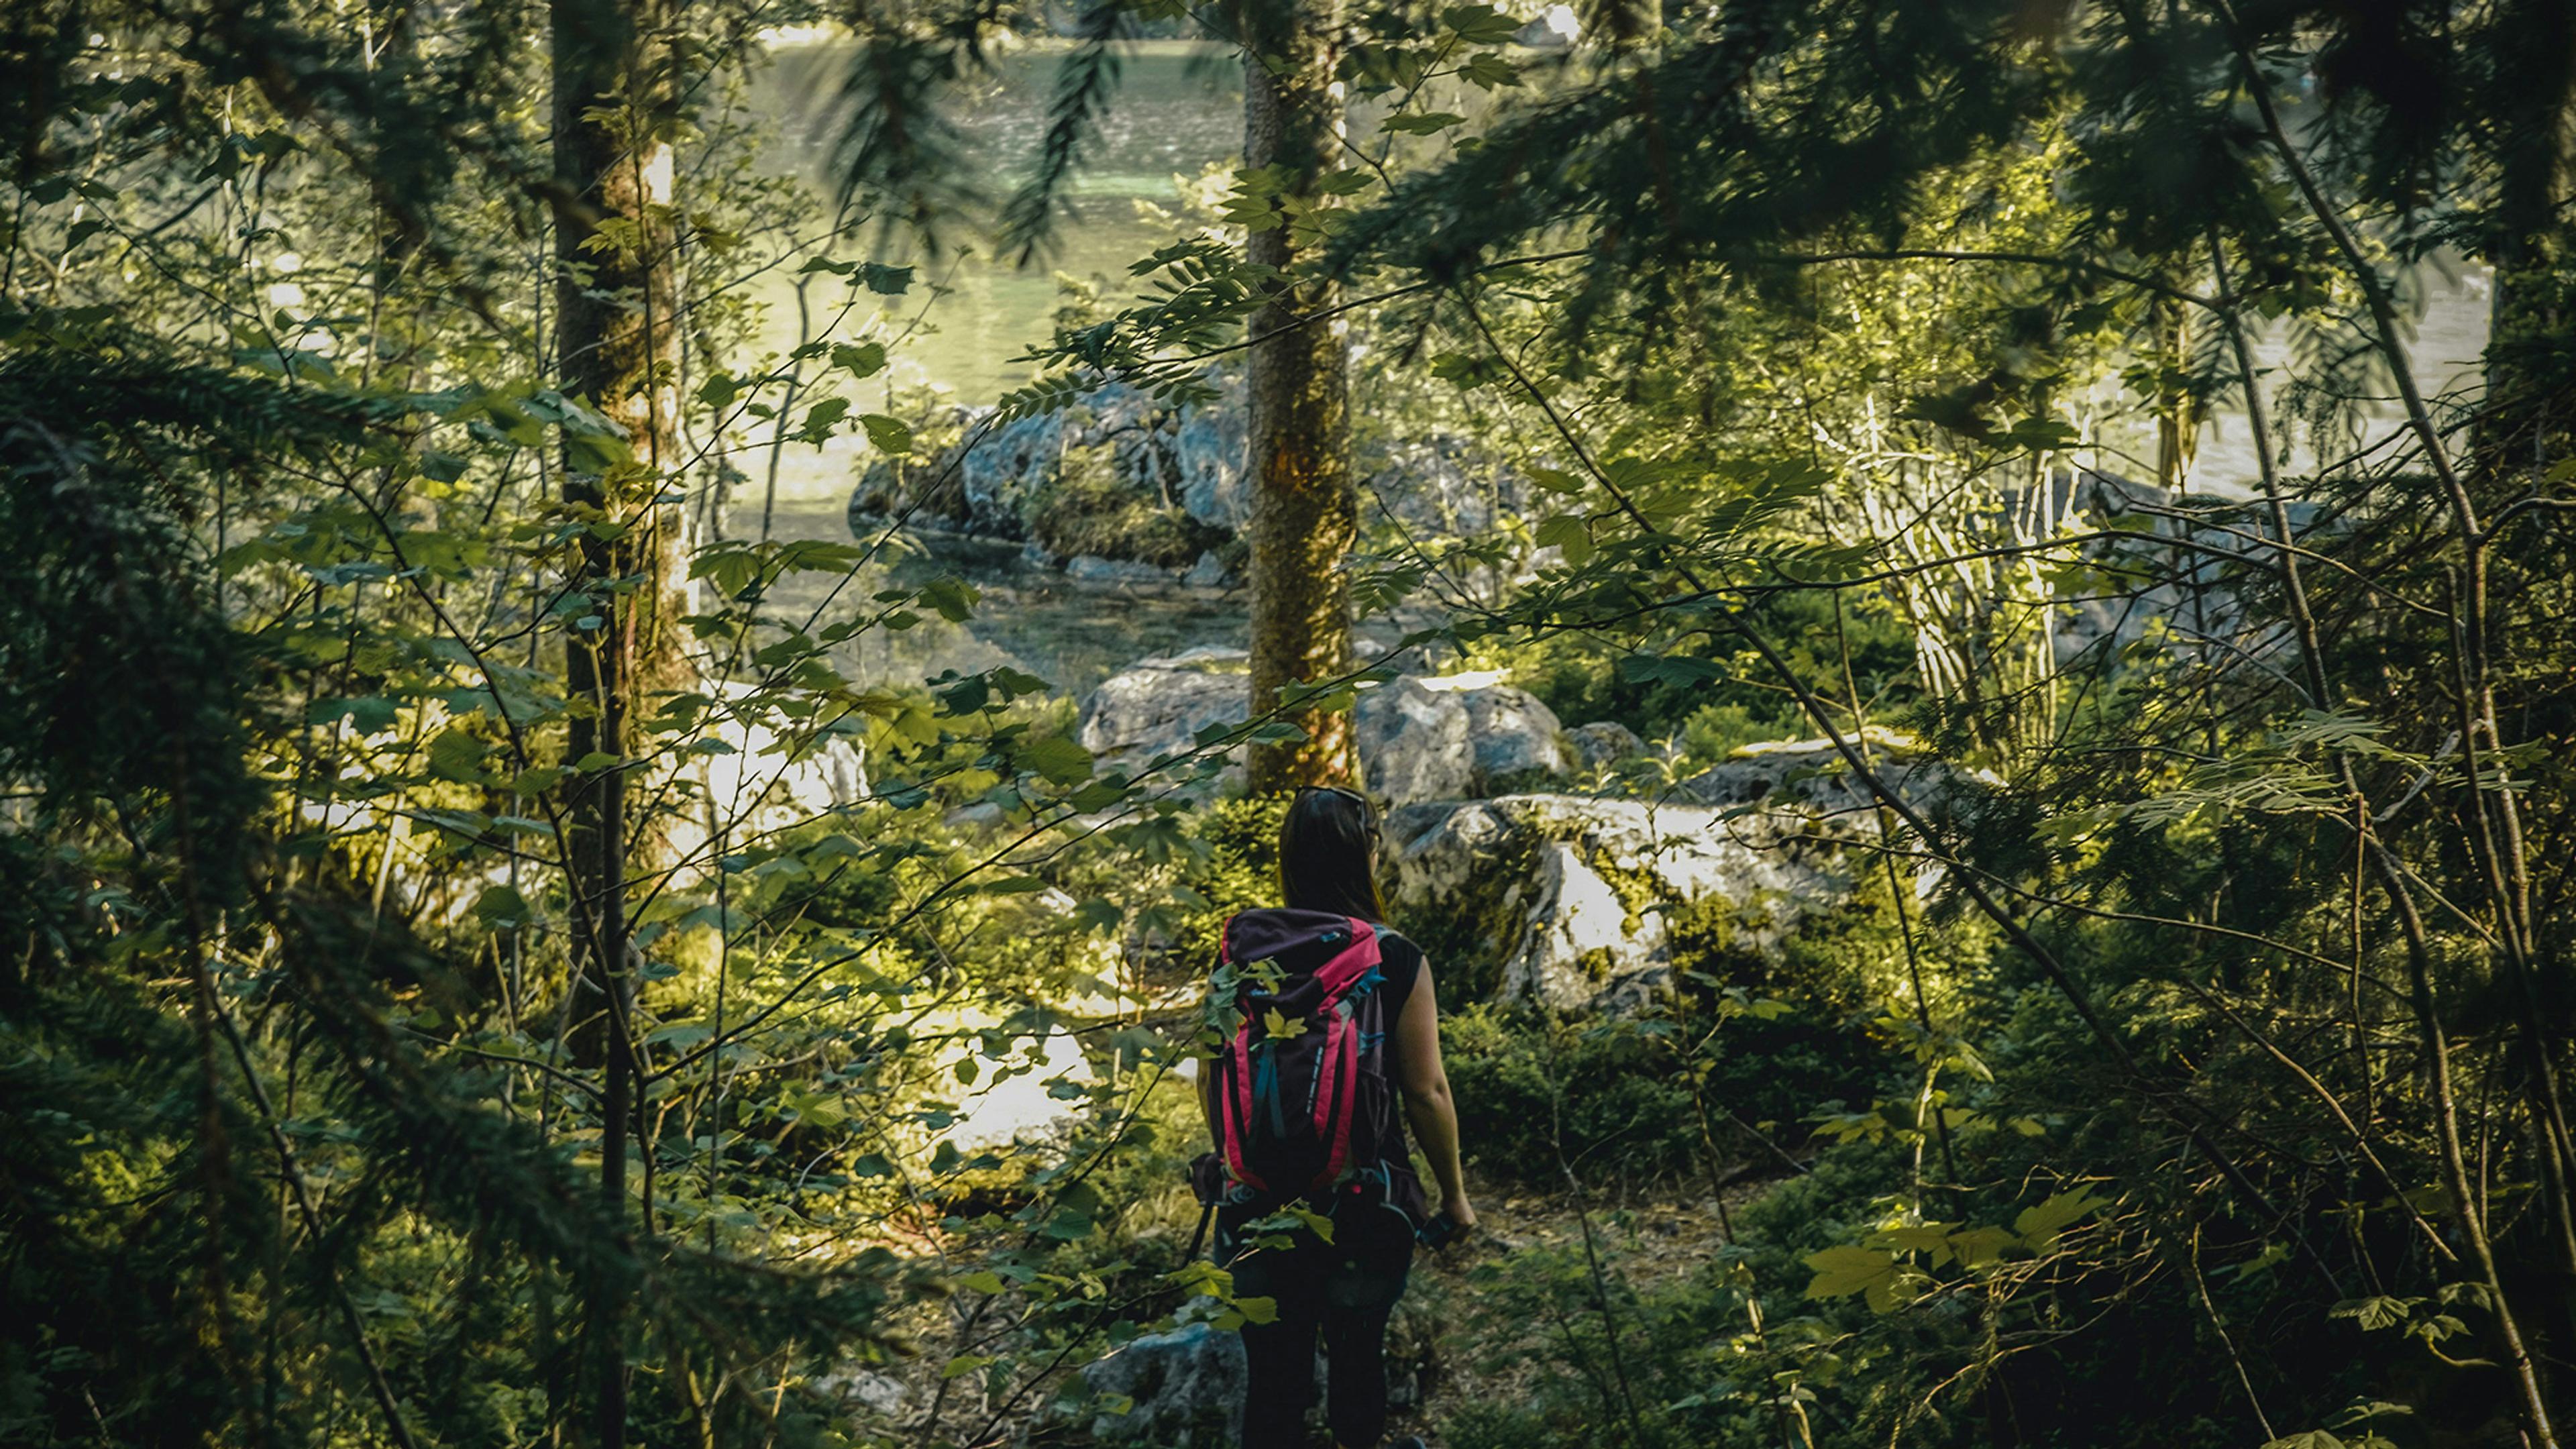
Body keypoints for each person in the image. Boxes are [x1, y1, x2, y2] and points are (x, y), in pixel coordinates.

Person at [1197, 784, 1477, 1449]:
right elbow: (1428, 1091)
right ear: (1365, 856)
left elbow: (1213, 1071)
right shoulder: (1395, 956)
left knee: (1272, 1383)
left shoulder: (1238, 952)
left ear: (1290, 857)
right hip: (1364, 1201)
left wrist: (1238, 1166)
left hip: (1258, 1205)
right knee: (1357, 1364)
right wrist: (1456, 1199)